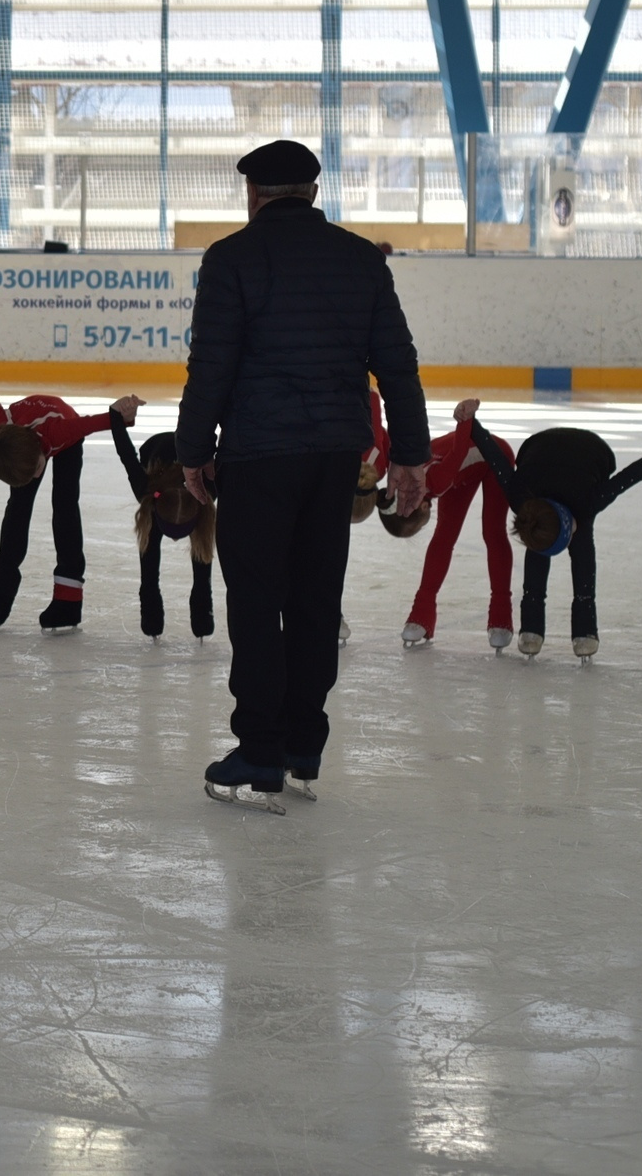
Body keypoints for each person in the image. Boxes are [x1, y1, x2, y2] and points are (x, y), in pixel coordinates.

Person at [177, 139, 428, 813]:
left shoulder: (230, 259)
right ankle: (303, 743)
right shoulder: (360, 260)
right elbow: (397, 364)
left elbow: (211, 366)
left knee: (257, 599)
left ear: (254, 193)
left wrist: (192, 449)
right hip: (334, 457)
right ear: (313, 192)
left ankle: (259, 748)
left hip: (260, 455)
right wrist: (411, 452)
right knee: (316, 595)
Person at [468, 414, 642, 660]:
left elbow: (626, 478)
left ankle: (585, 631)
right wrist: (471, 423)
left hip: (591, 452)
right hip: (538, 451)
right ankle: (531, 628)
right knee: (538, 536)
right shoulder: (523, 499)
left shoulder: (587, 500)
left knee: (582, 544)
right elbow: (494, 456)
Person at [0, 371, 119, 631]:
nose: (39, 474)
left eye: (38, 467)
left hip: (65, 433)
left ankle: (68, 601)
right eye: (32, 474)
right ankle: (2, 592)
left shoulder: (60, 430)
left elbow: (90, 423)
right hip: (22, 441)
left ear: (41, 452)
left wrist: (121, 414)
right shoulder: (1, 426)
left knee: (65, 506)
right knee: (17, 509)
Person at [398, 398, 516, 650]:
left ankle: (501, 615)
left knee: (493, 532)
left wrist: (465, 417)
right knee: (444, 536)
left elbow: (460, 449)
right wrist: (464, 420)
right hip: (462, 467)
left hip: (496, 457)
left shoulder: (425, 478)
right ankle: (421, 614)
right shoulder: (424, 479)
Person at [108, 397, 217, 639]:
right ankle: (151, 612)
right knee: (149, 550)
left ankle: (202, 608)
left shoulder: (207, 487)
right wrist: (115, 414)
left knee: (202, 552)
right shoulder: (147, 490)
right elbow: (127, 454)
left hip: (192, 455)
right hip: (155, 450)